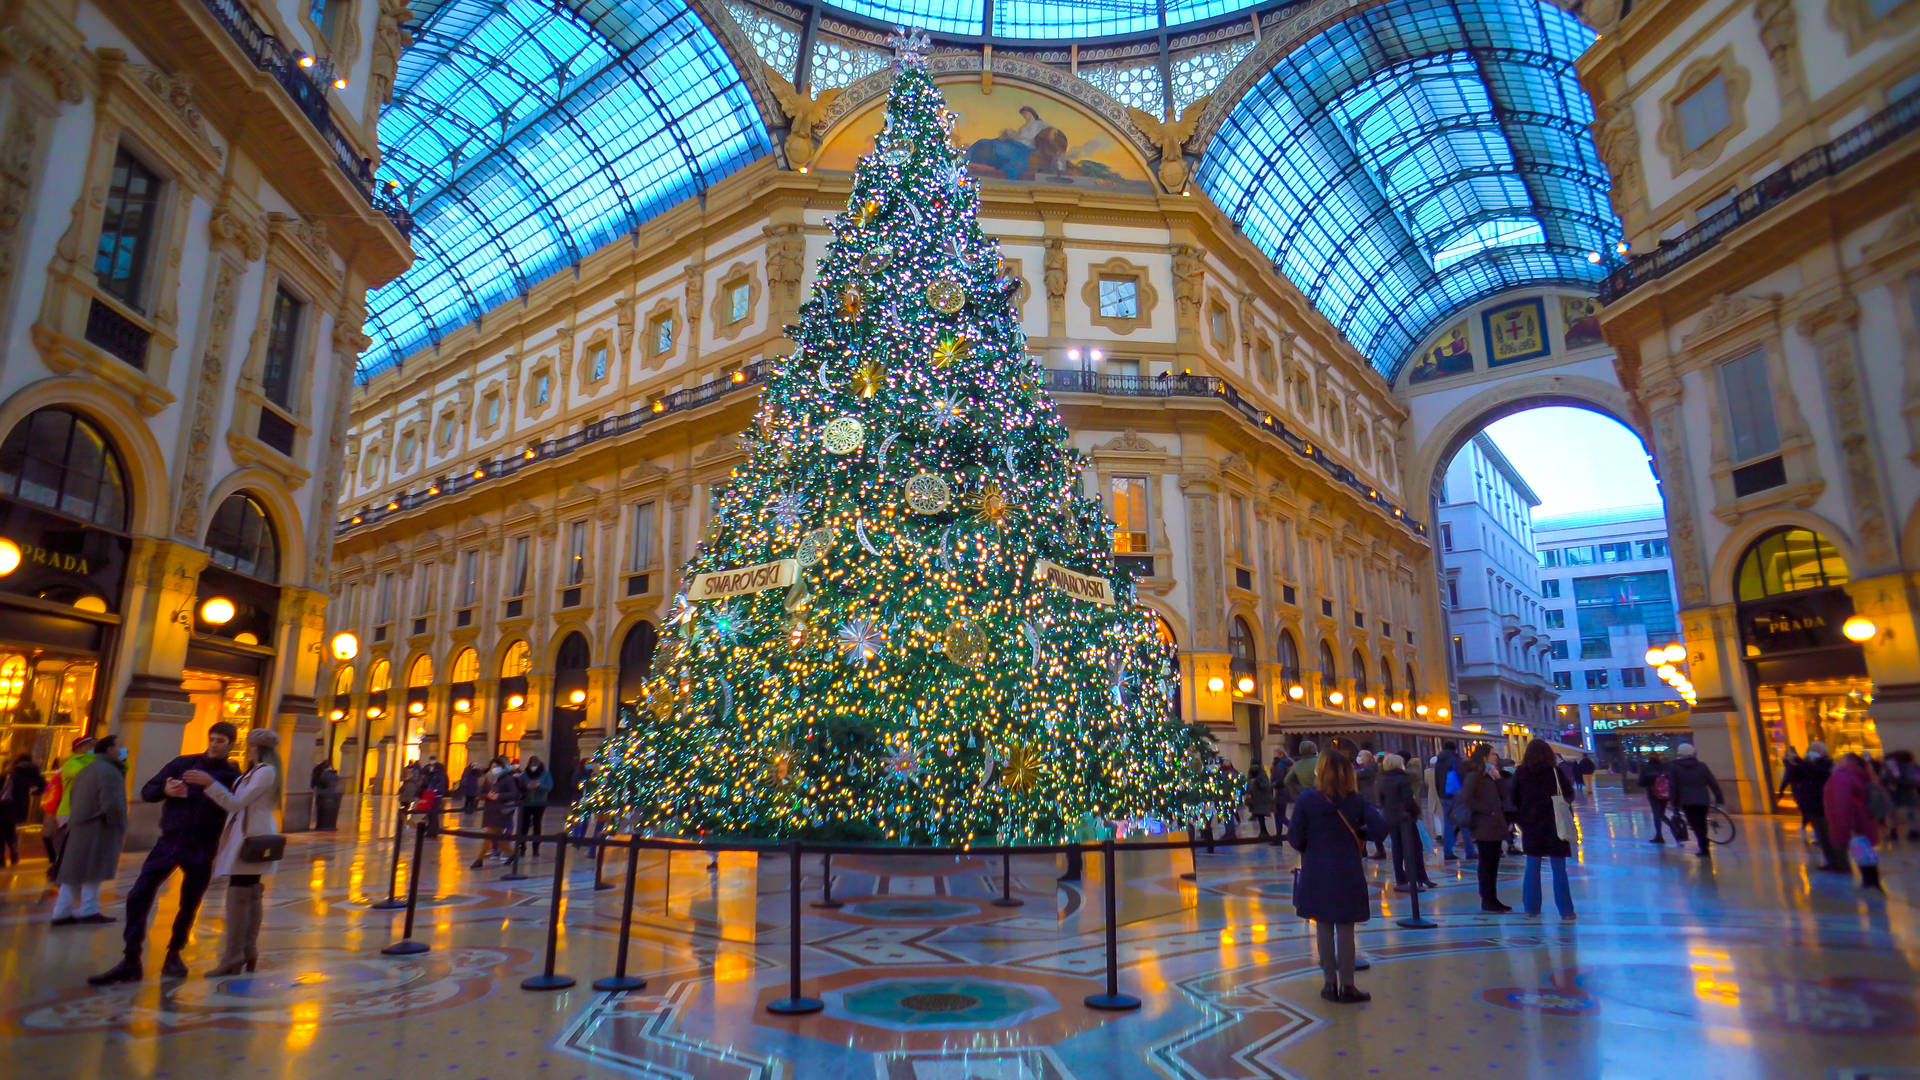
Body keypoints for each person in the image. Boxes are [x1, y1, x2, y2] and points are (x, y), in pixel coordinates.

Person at [89, 722, 241, 984]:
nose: (215, 744)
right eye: (212, 739)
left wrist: (211, 785)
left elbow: (235, 806)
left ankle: (174, 952)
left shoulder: (231, 775)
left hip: (202, 846)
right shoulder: (183, 763)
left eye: (221, 741)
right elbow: (148, 791)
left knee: (190, 902)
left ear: (231, 744)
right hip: (170, 841)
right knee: (138, 895)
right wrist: (165, 790)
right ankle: (131, 958)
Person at [1289, 750, 1384, 1004]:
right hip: (1347, 869)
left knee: (1322, 925)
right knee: (1345, 927)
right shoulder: (1356, 800)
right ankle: (1348, 985)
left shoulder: (1307, 799)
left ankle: (1329, 983)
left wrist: (1312, 845)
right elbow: (1379, 829)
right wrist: (1361, 835)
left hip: (1316, 868)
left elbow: (1295, 838)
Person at [184, 728, 281, 975]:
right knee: (249, 890)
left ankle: (233, 956)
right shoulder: (259, 771)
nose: (248, 749)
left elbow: (236, 803)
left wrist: (210, 784)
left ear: (258, 748)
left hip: (251, 837)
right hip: (249, 833)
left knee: (240, 891)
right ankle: (246, 951)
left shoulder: (265, 772)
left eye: (251, 745)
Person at [50, 736, 127, 926]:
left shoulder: (88, 769)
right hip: (98, 827)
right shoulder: (109, 771)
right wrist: (118, 823)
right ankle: (88, 910)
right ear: (109, 750)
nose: (122, 750)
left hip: (81, 824)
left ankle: (63, 912)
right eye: (119, 747)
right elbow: (112, 803)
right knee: (93, 870)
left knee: (76, 871)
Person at [1512, 739, 1576, 920]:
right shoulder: (1555, 772)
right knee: (1559, 868)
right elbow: (1568, 794)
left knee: (1532, 866)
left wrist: (1522, 817)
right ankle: (1566, 910)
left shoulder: (1521, 773)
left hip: (1531, 824)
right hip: (1555, 824)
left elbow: (1513, 798)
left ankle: (1531, 908)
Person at [1459, 744, 1509, 911]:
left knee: (1493, 862)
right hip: (1484, 825)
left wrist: (1498, 779)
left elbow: (1504, 796)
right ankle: (1487, 899)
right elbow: (1467, 798)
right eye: (1493, 754)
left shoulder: (1491, 775)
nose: (1496, 758)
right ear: (1484, 757)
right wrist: (1487, 811)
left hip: (1494, 824)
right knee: (1487, 863)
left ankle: (1492, 897)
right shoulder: (1474, 776)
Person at [1824, 752, 1882, 891]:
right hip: (1864, 818)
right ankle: (1872, 880)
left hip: (1853, 821)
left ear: (1846, 762)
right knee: (1866, 850)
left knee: (1860, 850)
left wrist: (1842, 827)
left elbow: (1841, 803)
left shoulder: (1841, 777)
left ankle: (1869, 883)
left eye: (1840, 760)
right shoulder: (1862, 773)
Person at [1783, 743, 1840, 871]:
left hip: (1824, 805)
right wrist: (1791, 763)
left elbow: (1821, 774)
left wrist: (1804, 762)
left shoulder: (1827, 763)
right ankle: (1831, 861)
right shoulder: (1808, 764)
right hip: (1811, 805)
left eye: (1814, 750)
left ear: (1822, 751)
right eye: (1810, 750)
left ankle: (1838, 862)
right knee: (1821, 836)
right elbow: (1795, 776)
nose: (1811, 752)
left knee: (1828, 835)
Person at [1378, 754, 1432, 889]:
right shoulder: (1402, 779)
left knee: (1397, 849)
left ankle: (1401, 879)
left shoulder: (1382, 779)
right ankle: (1418, 876)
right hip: (1405, 818)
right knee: (1415, 847)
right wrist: (1415, 812)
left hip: (1390, 817)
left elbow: (1381, 800)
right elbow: (1408, 799)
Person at [1667, 744, 1724, 859]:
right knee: (1702, 823)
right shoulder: (1702, 766)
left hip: (1687, 801)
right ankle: (1704, 844)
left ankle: (1703, 845)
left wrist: (1673, 802)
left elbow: (1673, 786)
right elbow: (1712, 782)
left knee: (1694, 824)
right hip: (1703, 799)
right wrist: (1719, 797)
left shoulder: (1674, 767)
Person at [471, 757, 521, 868]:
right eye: (493, 766)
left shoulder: (508, 778)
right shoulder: (488, 779)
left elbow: (514, 793)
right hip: (490, 810)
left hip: (501, 811)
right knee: (497, 837)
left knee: (490, 835)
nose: (494, 769)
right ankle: (513, 855)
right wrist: (486, 796)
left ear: (502, 767)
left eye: (496, 766)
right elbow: (480, 793)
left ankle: (479, 859)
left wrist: (499, 796)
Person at [1, 752, 46, 866]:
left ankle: (1, 859)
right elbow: (43, 786)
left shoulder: (10, 771)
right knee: (10, 828)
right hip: (20, 807)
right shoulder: (33, 771)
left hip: (4, 805)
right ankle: (14, 849)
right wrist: (32, 791)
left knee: (2, 830)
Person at [1433, 740, 1465, 860]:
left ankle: (1448, 850)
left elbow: (1436, 778)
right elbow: (1462, 776)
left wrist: (1440, 792)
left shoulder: (1438, 761)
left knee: (1448, 822)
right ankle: (1468, 849)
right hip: (1455, 794)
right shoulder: (1455, 760)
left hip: (1443, 794)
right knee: (1463, 820)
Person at [519, 756, 554, 856]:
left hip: (539, 803)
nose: (533, 767)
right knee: (524, 825)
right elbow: (520, 785)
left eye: (535, 765)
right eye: (531, 765)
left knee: (537, 825)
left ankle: (536, 848)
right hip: (526, 802)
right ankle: (522, 846)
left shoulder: (545, 774)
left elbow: (549, 787)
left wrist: (539, 786)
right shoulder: (525, 774)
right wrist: (527, 786)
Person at [1639, 752, 1672, 844]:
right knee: (1661, 814)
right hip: (1664, 794)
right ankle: (1674, 829)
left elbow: (1641, 782)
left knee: (1657, 814)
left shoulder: (1646, 768)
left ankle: (1659, 835)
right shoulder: (1665, 767)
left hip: (1653, 793)